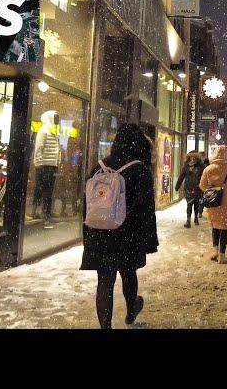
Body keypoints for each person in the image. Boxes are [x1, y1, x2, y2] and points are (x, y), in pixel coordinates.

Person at [80, 123, 158, 329]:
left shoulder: (99, 167)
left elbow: (87, 204)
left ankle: (105, 326)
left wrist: (87, 235)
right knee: (128, 272)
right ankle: (132, 307)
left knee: (104, 281)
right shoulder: (139, 169)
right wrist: (149, 240)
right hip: (127, 234)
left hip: (99, 231)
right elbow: (146, 210)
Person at [175, 151, 205, 228]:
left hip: (197, 187)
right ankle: (188, 220)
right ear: (189, 157)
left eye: (194, 157)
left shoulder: (201, 165)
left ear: (197, 157)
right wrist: (177, 186)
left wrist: (204, 186)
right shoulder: (186, 165)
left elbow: (203, 177)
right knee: (189, 204)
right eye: (191, 157)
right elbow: (182, 175)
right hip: (188, 187)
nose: (193, 158)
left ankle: (195, 217)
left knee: (196, 204)